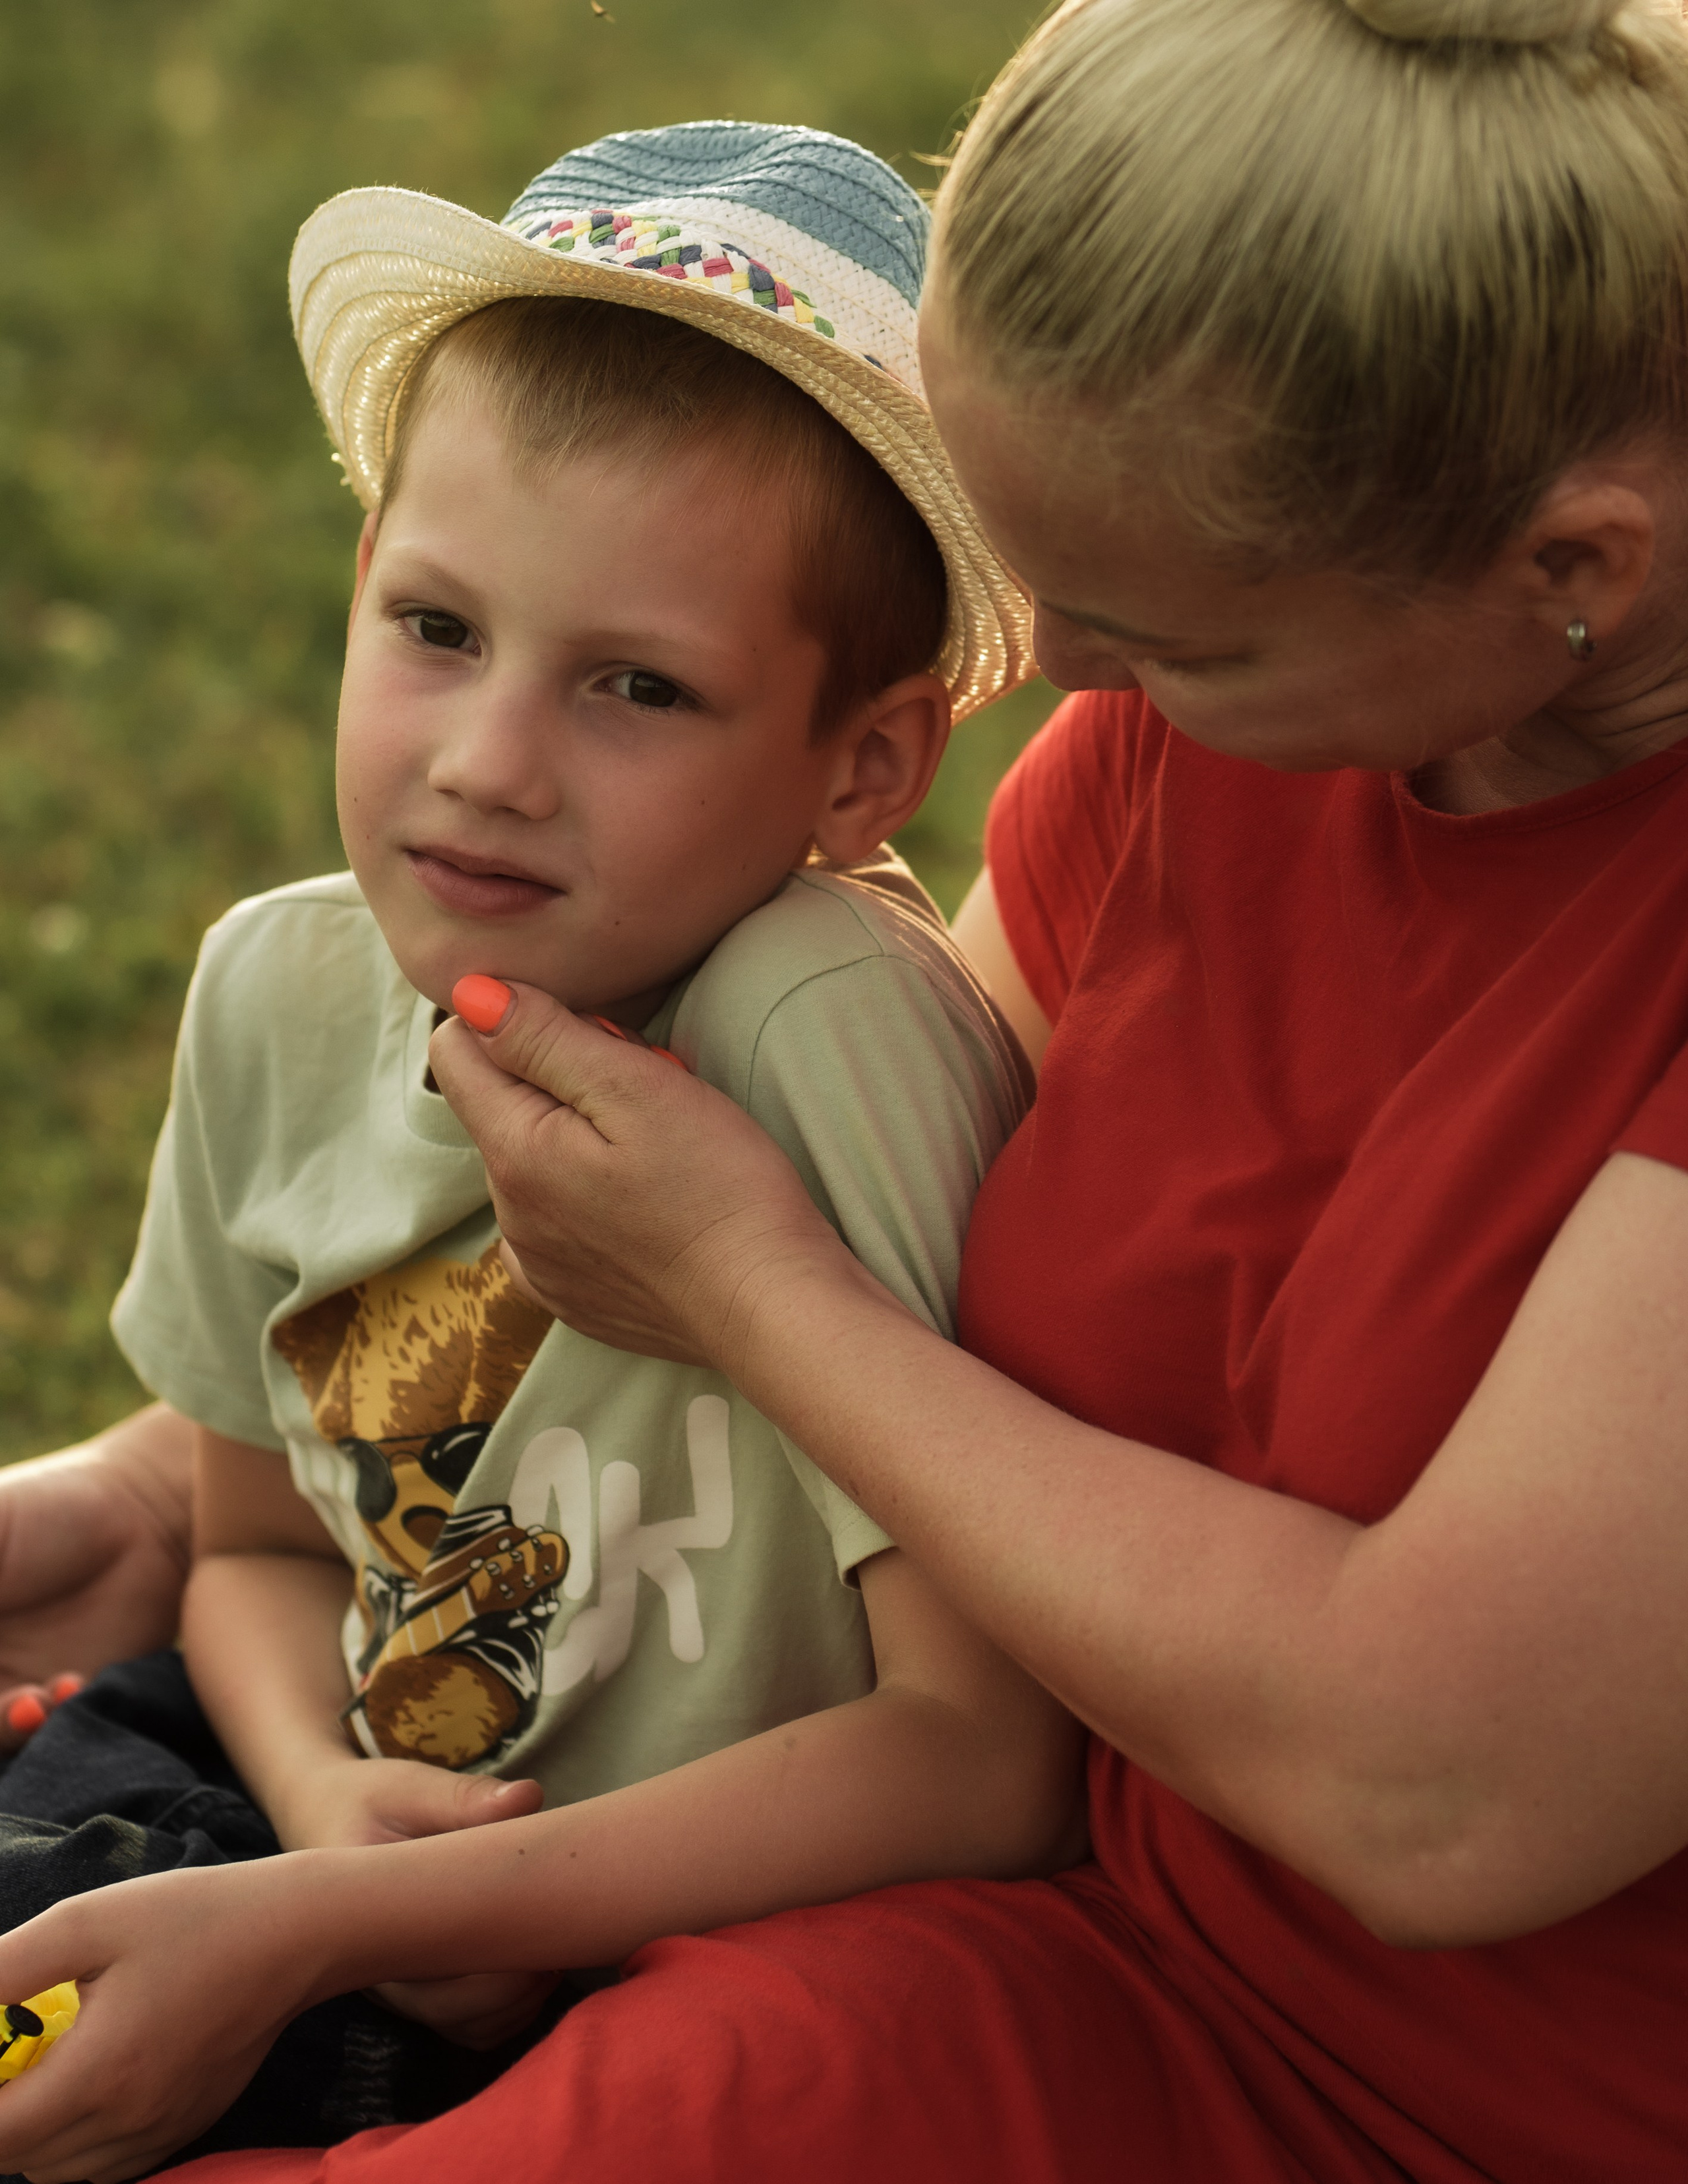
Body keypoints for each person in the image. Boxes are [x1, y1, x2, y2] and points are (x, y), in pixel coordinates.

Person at [11, 0, 1688, 2176]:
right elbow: (752, 1199)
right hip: (1065, 1950)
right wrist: (172, 1496)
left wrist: (749, 1292)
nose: (1073, 690)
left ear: (1573, 569)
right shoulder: (1265, 733)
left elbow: (1443, 1791)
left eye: (1181, 635)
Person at [0, 123, 1083, 2179]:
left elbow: (989, 1759)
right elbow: (253, 1543)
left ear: (862, 762)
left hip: (707, 1938)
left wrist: (354, 1903)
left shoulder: (814, 1033)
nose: (491, 764)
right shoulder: (270, 992)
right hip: (316, 1820)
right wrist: (323, 1814)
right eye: (438, 629)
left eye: (638, 687)